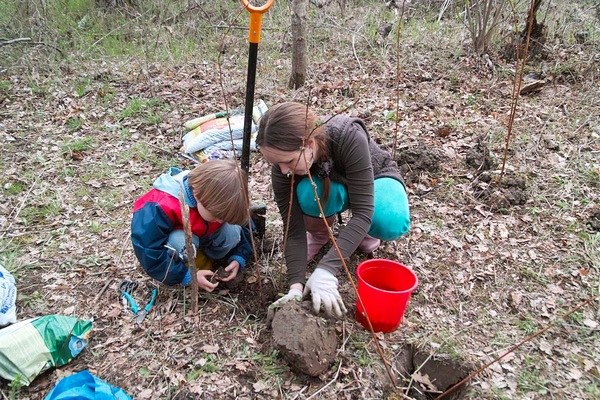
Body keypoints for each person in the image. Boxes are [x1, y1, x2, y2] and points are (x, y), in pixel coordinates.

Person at [257, 102, 410, 318]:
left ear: (308, 144)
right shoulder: (283, 169)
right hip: (330, 184)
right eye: (277, 164)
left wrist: (327, 269)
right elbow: (293, 229)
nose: (283, 170)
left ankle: (364, 233)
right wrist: (295, 286)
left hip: (373, 179)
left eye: (288, 161)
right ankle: (321, 232)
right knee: (309, 195)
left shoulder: (347, 135)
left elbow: (363, 212)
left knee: (389, 219)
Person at [131, 160, 252, 292]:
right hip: (183, 244)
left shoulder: (220, 200)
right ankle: (193, 267)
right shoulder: (160, 205)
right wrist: (186, 275)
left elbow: (243, 223)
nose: (220, 221)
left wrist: (239, 256)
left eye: (223, 218)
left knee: (232, 230)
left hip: (205, 236)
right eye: (217, 216)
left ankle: (214, 259)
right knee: (179, 240)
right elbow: (148, 249)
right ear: (198, 197)